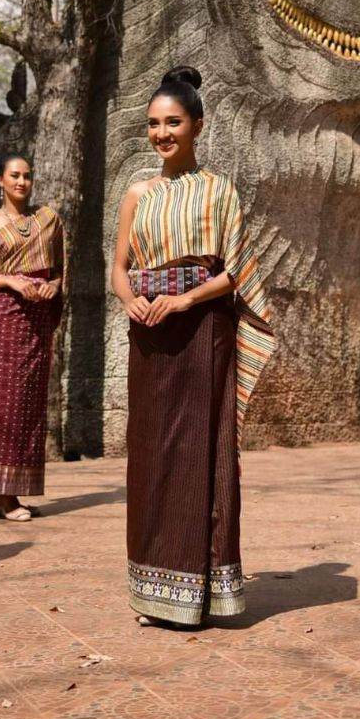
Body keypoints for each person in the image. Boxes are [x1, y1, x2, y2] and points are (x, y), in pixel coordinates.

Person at [111, 67, 275, 627]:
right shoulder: (137, 193)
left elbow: (236, 274)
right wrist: (131, 300)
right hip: (149, 335)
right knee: (152, 455)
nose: (162, 133)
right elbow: (119, 268)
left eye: (173, 122)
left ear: (197, 125)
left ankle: (201, 591)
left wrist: (183, 302)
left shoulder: (219, 190)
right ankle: (154, 587)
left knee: (202, 453)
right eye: (154, 124)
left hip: (204, 332)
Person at [0, 154, 64, 521]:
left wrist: (52, 287)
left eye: (27, 176)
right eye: (14, 176)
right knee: (2, 402)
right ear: (0, 181)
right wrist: (6, 280)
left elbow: (59, 273)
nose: (22, 182)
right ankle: (3, 496)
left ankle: (1, 495)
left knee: (28, 405)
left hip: (38, 317)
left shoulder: (48, 220)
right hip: (5, 314)